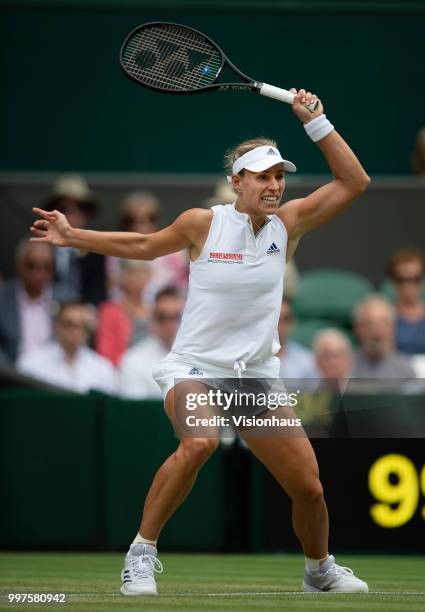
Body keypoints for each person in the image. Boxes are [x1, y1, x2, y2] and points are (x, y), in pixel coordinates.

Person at [30, 87, 370, 595]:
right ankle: (140, 556)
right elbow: (145, 245)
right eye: (263, 176)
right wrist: (76, 236)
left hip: (255, 377)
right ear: (237, 182)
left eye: (280, 176)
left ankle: (319, 569)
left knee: (309, 488)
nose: (274, 185)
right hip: (195, 368)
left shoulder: (288, 223)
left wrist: (315, 122)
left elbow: (354, 181)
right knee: (200, 441)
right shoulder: (202, 223)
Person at [18, 302, 118, 394]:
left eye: (82, 326)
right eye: (69, 324)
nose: (76, 331)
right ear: (57, 327)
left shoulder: (103, 368)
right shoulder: (32, 363)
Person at [108, 191, 189, 302]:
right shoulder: (116, 251)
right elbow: (113, 292)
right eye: (132, 219)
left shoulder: (176, 251)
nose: (142, 224)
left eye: (150, 218)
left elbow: (182, 290)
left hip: (168, 313)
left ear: (158, 220)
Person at [43, 174, 107, 305]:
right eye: (64, 208)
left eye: (81, 207)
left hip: (83, 318)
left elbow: (98, 292)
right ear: (52, 212)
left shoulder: (98, 248)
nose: (73, 213)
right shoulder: (40, 244)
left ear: (88, 213)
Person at [120, 287, 184, 399]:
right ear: (153, 318)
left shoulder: (203, 356)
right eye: (162, 317)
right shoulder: (133, 360)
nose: (169, 324)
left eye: (175, 317)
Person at [0, 240, 55, 364]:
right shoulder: (3, 297)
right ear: (19, 265)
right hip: (13, 374)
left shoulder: (64, 298)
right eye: (31, 265)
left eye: (46, 267)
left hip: (53, 376)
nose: (39, 273)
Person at [96, 259, 152, 367]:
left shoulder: (155, 310)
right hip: (123, 371)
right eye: (132, 272)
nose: (138, 277)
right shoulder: (110, 311)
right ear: (122, 277)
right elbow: (106, 353)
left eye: (142, 272)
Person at [351, 295, 415, 379]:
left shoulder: (405, 370)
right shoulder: (343, 366)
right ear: (358, 328)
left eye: (384, 325)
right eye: (370, 325)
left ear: (393, 328)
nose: (377, 333)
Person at [387, 248, 425, 356]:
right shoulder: (385, 316)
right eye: (402, 279)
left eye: (416, 278)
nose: (409, 285)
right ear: (393, 281)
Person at [276, 299, 318, 381]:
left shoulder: (307, 361)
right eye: (277, 318)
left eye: (286, 318)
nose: (281, 324)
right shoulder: (249, 358)